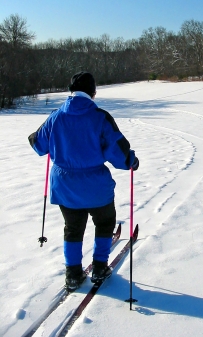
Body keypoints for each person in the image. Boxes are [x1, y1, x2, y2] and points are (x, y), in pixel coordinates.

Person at [28, 71, 139, 292]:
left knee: (72, 228)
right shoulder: (100, 117)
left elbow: (38, 144)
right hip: (96, 187)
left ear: (71, 91)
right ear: (93, 92)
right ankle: (99, 266)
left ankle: (73, 274)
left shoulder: (56, 116)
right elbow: (118, 151)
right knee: (105, 223)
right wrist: (131, 161)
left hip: (65, 187)